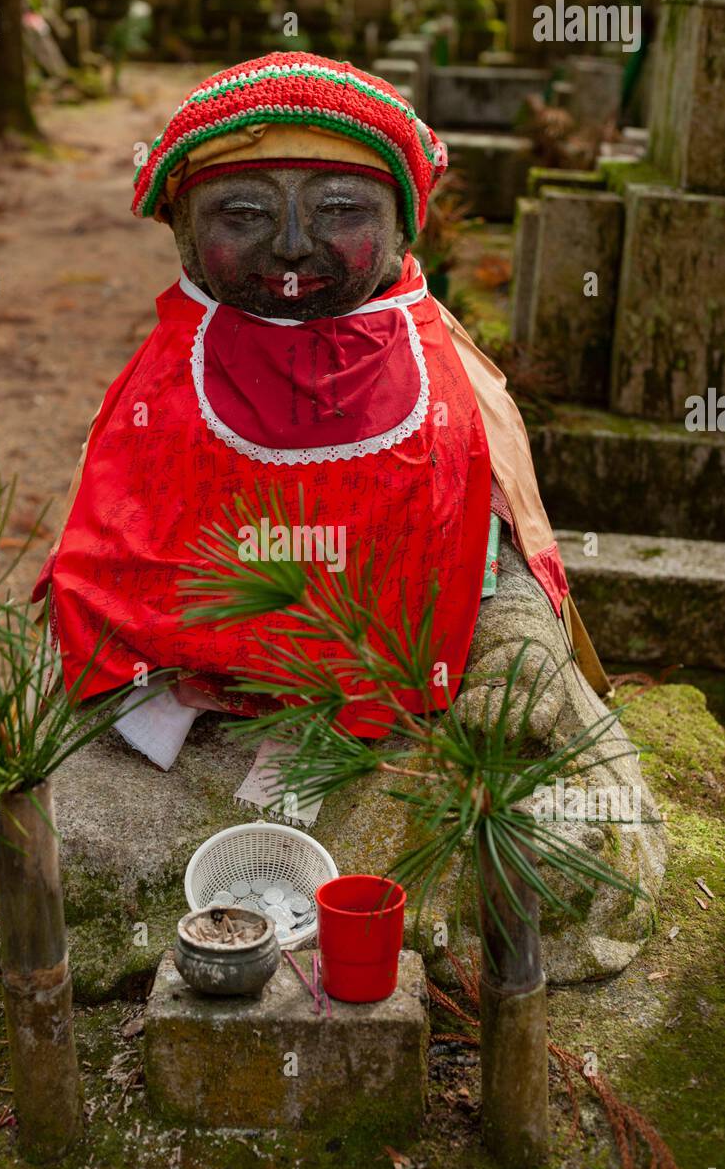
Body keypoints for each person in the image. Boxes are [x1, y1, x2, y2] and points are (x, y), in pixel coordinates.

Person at [32, 52, 606, 766]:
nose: (293, 245)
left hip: (405, 701)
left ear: (400, 227)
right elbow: (108, 560)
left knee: (560, 812)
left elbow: (486, 552)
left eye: (340, 210)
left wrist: (514, 643)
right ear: (183, 229)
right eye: (243, 213)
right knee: (79, 819)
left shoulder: (442, 381)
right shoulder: (166, 383)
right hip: (187, 708)